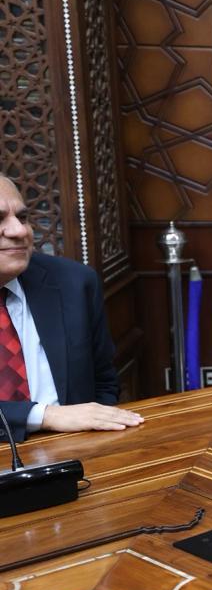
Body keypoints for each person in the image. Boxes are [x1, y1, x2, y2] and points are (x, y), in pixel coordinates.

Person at [0, 175, 143, 443]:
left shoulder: (74, 283)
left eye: (22, 217)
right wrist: (46, 416)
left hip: (74, 452)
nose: (19, 231)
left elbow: (104, 382)